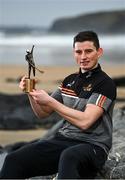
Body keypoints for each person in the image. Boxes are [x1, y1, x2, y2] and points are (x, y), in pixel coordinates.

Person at [0, 31, 116, 179]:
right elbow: (43, 113)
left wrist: (50, 101)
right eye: (78, 52)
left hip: (93, 146)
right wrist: (30, 92)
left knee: (69, 156)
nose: (83, 57)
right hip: (63, 140)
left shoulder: (105, 83)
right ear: (73, 53)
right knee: (13, 160)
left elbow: (86, 122)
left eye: (88, 51)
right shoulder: (69, 81)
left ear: (99, 52)